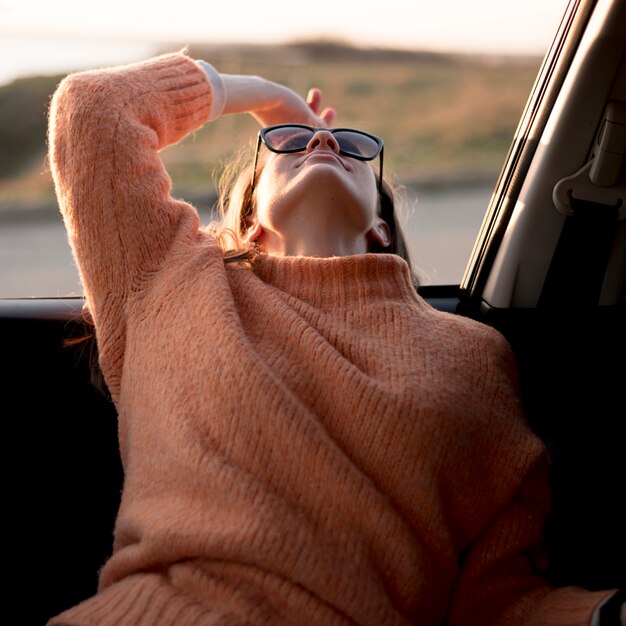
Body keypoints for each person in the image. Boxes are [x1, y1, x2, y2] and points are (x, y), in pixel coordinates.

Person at [46, 50, 623, 626]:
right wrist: (275, 100)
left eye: (349, 147)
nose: (322, 143)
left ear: (380, 225)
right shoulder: (172, 279)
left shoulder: (474, 354)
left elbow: (495, 603)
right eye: (291, 144)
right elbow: (93, 112)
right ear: (249, 220)